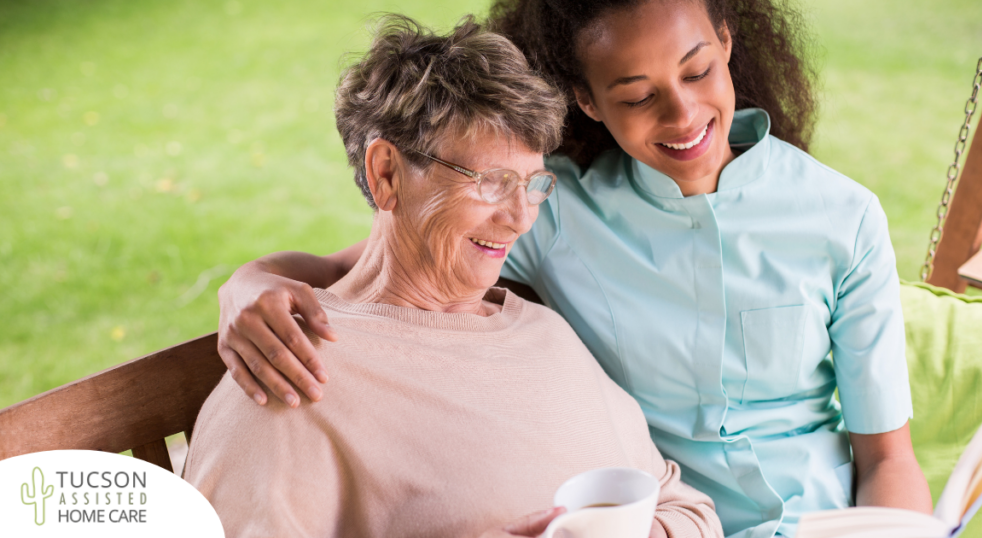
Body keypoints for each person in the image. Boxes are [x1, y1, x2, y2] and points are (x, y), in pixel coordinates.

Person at [213, 1, 934, 536]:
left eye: (699, 71)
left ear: (727, 44)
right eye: (637, 95)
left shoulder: (842, 216)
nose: (683, 115)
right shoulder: (559, 213)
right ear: (590, 101)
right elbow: (374, 267)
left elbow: (883, 457)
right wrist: (247, 285)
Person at [185, 15, 722, 538]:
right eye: (491, 181)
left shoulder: (544, 335)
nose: (520, 218)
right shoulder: (289, 375)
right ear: (386, 174)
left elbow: (686, 508)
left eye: (534, 185)